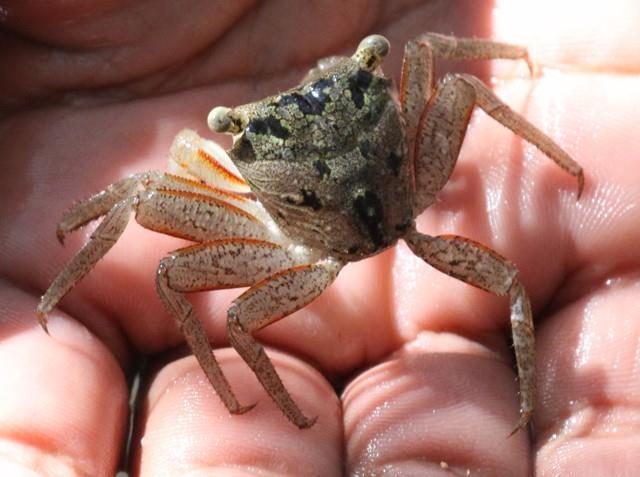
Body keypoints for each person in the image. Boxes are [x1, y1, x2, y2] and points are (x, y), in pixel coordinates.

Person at [0, 1, 637, 475]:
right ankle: (526, 398)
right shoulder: (381, 79)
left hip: (303, 250)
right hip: (401, 202)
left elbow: (164, 217)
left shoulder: (243, 141)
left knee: (168, 240)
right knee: (509, 278)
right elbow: (447, 68)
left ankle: (240, 394)